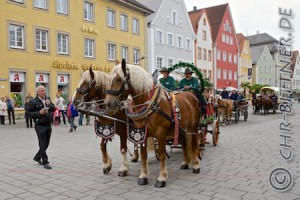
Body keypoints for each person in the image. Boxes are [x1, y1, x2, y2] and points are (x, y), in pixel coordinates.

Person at [25, 85, 55, 169]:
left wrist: (50, 104)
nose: (44, 92)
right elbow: (27, 114)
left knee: (46, 143)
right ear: (37, 92)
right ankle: (45, 162)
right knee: (42, 143)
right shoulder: (33, 102)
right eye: (42, 90)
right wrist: (39, 112)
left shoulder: (47, 99)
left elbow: (53, 109)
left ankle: (37, 157)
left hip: (48, 124)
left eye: (45, 90)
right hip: (40, 125)